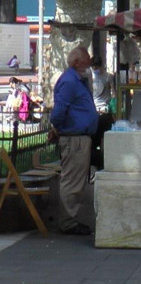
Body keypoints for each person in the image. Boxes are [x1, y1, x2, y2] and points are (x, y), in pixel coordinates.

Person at [50, 46, 98, 235]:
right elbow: (59, 111)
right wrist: (59, 127)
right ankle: (68, 221)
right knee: (72, 180)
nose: (89, 62)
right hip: (74, 138)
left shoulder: (78, 80)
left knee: (75, 179)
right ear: (77, 62)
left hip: (79, 137)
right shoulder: (70, 81)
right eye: (86, 59)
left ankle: (70, 219)